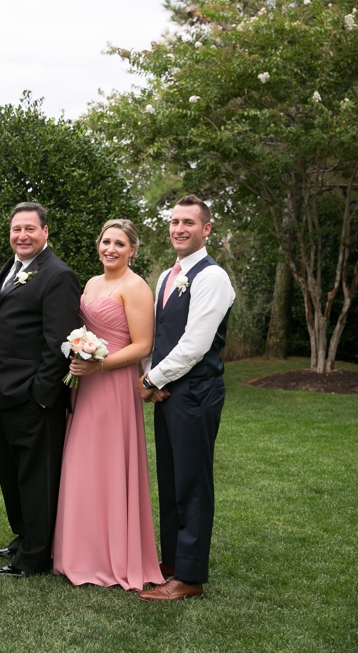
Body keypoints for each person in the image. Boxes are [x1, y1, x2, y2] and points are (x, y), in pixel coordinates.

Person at [51, 219, 164, 590]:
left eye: (119, 243)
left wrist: (98, 363)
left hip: (113, 384)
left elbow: (142, 345)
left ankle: (111, 556)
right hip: (86, 385)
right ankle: (79, 553)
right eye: (105, 241)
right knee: (82, 463)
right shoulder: (92, 283)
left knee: (109, 464)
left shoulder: (136, 287)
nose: (110, 249)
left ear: (133, 250)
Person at [137, 195, 235, 601]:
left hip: (196, 392)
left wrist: (151, 379)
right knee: (172, 478)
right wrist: (154, 376)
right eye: (175, 221)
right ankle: (173, 562)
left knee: (193, 482)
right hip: (169, 391)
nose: (179, 228)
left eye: (189, 223)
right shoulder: (166, 276)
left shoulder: (213, 278)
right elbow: (161, 335)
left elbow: (196, 344)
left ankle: (190, 578)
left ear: (206, 229)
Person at [0, 202, 80, 578]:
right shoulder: (11, 267)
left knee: (36, 479)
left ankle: (34, 557)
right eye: (16, 229)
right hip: (0, 394)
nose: (21, 236)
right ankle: (22, 538)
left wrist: (40, 395)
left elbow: (59, 342)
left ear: (45, 232)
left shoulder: (58, 275)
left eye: (29, 229)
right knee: (10, 474)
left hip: (31, 398)